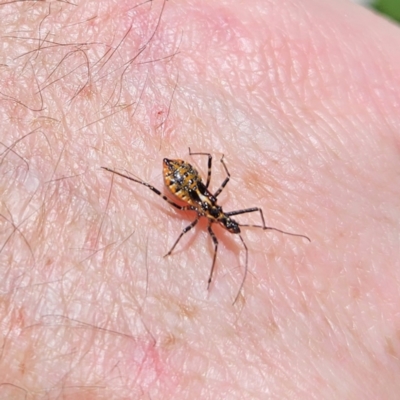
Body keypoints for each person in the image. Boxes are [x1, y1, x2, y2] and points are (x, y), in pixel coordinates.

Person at [1, 0, 399, 398]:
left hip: (191, 183)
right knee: (159, 194)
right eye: (231, 225)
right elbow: (216, 175)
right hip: (187, 183)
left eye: (230, 227)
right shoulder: (205, 217)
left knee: (187, 200)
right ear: (224, 218)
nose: (229, 229)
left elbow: (225, 182)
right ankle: (119, 175)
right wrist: (188, 251)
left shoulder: (214, 213)